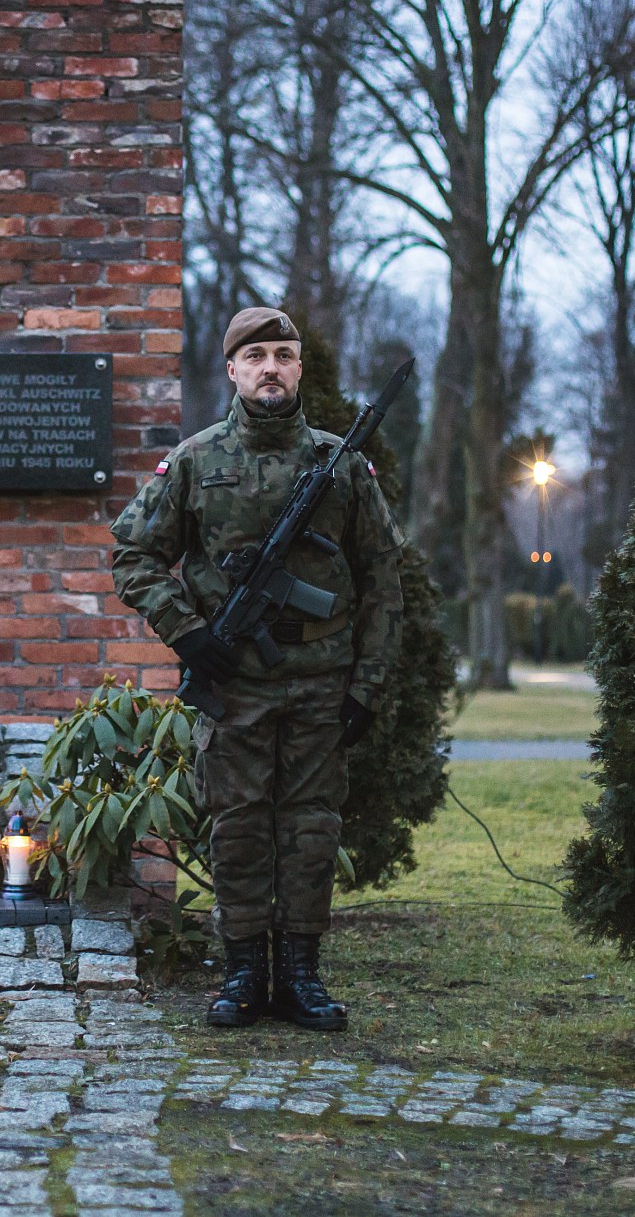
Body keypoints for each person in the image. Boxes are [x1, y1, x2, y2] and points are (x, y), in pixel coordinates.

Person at [110, 305, 403, 1031]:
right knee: (237, 826)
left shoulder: (342, 464)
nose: (270, 366)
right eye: (256, 356)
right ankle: (243, 973)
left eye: (283, 353)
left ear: (300, 367)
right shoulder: (196, 460)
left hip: (321, 683)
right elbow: (133, 555)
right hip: (234, 681)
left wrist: (366, 686)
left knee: (310, 828)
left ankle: (301, 975)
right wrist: (189, 632)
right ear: (233, 370)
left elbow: (383, 579)